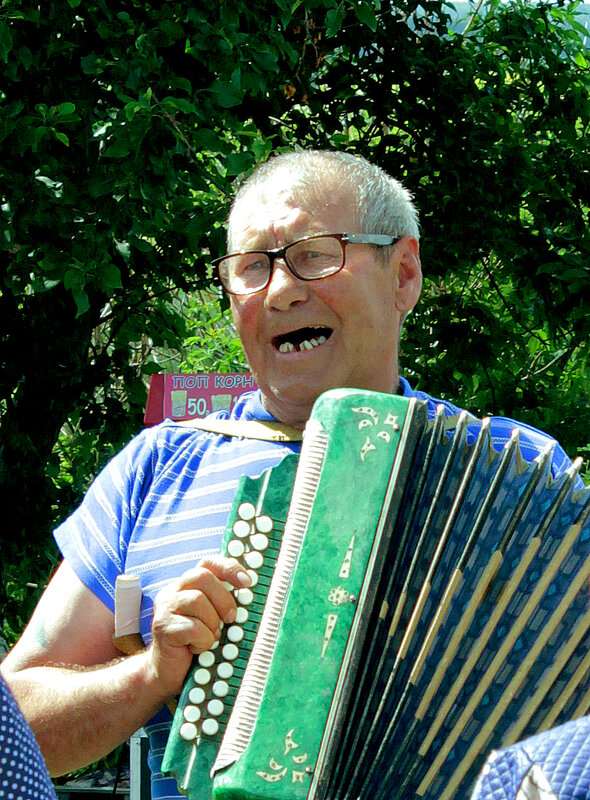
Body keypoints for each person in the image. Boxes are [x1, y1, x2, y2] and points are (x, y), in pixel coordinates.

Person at [0, 150, 581, 799]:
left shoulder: (518, 467)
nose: (281, 290)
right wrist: (150, 676)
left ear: (405, 274)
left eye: (314, 254)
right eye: (251, 268)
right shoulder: (155, 468)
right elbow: (14, 727)